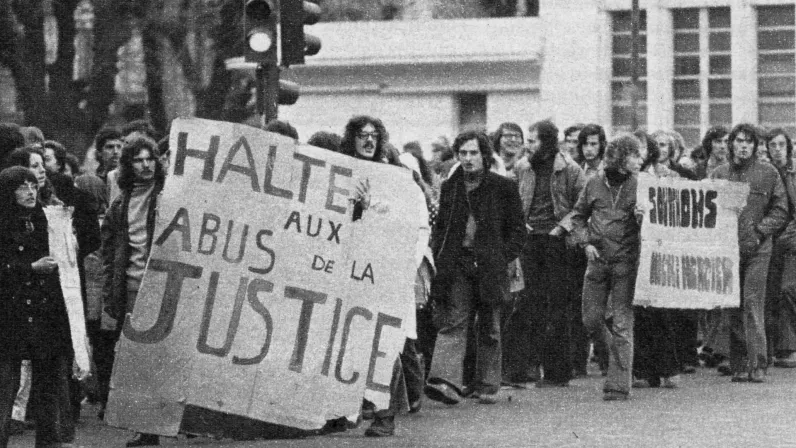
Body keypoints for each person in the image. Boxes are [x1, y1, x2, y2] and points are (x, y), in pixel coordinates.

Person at [424, 130, 525, 405]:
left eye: (473, 153)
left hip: (491, 265)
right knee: (453, 320)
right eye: (463, 153)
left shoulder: (503, 187)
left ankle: (488, 385)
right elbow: (441, 227)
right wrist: (440, 255)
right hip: (458, 263)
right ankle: (445, 382)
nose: (468, 159)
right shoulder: (450, 187)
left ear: (484, 155)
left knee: (490, 324)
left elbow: (518, 231)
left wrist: (500, 256)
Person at [504, 120, 585, 388]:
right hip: (529, 240)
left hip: (556, 242)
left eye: (533, 140)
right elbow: (512, 199)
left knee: (557, 307)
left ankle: (557, 370)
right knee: (526, 304)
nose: (528, 145)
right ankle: (525, 368)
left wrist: (561, 228)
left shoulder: (570, 169)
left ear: (548, 142)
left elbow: (582, 206)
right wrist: (519, 222)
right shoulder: (522, 167)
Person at [0, 166, 73, 448]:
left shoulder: (49, 218)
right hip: (10, 312)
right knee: (6, 384)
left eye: (33, 185)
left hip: (45, 311)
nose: (30, 191)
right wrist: (30, 268)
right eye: (22, 186)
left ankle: (50, 441)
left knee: (48, 383)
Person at [710, 123, 788, 383]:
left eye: (749, 142)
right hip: (727, 249)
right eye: (739, 141)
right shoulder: (719, 174)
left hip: (758, 249)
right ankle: (739, 364)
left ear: (756, 146)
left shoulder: (768, 173)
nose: (743, 146)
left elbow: (780, 210)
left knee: (753, 303)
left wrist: (759, 232)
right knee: (732, 304)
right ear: (731, 144)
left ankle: (758, 363)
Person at [99, 137, 165, 446]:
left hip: (163, 288)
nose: (146, 164)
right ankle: (145, 428)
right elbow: (109, 249)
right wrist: (112, 291)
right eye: (138, 160)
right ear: (128, 165)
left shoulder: (167, 195)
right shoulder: (121, 203)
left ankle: (153, 427)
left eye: (149, 158)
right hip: (132, 288)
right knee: (135, 360)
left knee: (156, 358)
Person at [571, 133, 644, 401]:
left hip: (626, 262)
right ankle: (617, 359)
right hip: (597, 261)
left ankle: (618, 384)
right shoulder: (593, 183)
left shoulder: (640, 186)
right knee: (590, 319)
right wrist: (584, 244)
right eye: (635, 155)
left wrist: (642, 219)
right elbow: (577, 217)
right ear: (620, 158)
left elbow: (651, 228)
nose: (640, 159)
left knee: (623, 323)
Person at [764, 129, 796, 369]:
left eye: (781, 145)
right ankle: (775, 346)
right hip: (771, 239)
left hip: (791, 240)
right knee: (771, 292)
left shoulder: (793, 173)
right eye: (772, 145)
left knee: (787, 290)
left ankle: (788, 347)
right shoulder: (766, 172)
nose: (777, 149)